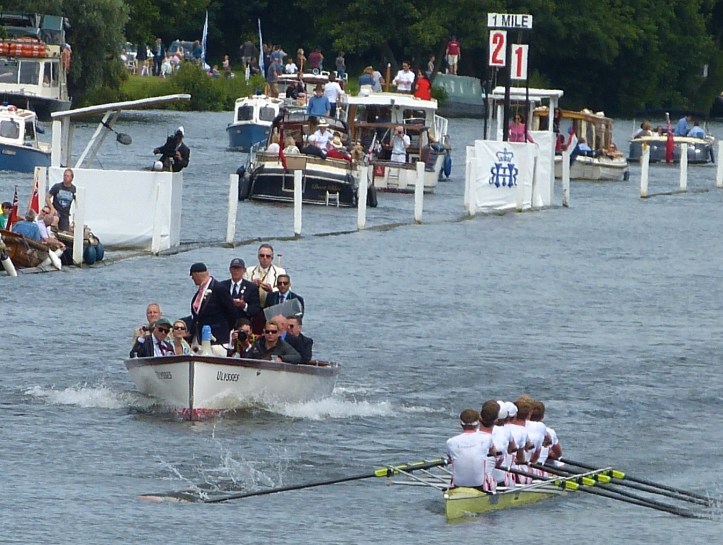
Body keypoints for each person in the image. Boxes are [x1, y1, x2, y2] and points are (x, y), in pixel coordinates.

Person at [186, 262, 237, 353]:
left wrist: (223, 329)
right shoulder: (200, 291)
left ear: (196, 274)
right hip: (199, 338)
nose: (192, 278)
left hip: (217, 340)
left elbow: (232, 312)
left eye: (192, 276)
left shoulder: (219, 288)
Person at [445, 408, 496, 491]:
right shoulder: (487, 439)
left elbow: (450, 459)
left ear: (461, 424)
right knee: (489, 473)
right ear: (478, 423)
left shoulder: (450, 442)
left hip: (458, 484)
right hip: (479, 485)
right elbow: (495, 454)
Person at [244, 244, 287, 332]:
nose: (265, 258)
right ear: (258, 257)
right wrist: (251, 285)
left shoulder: (280, 272)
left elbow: (287, 290)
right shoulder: (249, 271)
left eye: (268, 256)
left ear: (272, 258)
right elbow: (243, 288)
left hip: (271, 308)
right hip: (254, 308)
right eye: (262, 255)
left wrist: (271, 290)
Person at [218, 257, 261, 324]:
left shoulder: (251, 287)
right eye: (234, 268)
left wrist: (244, 306)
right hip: (225, 322)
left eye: (238, 268)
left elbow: (256, 309)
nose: (236, 271)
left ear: (244, 270)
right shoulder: (222, 286)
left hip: (243, 323)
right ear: (230, 270)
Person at [46, 168, 76, 232]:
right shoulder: (57, 186)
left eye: (67, 176)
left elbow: (77, 202)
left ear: (71, 178)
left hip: (65, 214)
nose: (65, 177)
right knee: (55, 219)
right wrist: (52, 208)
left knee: (65, 232)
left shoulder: (73, 189)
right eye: (64, 175)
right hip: (57, 211)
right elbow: (47, 197)